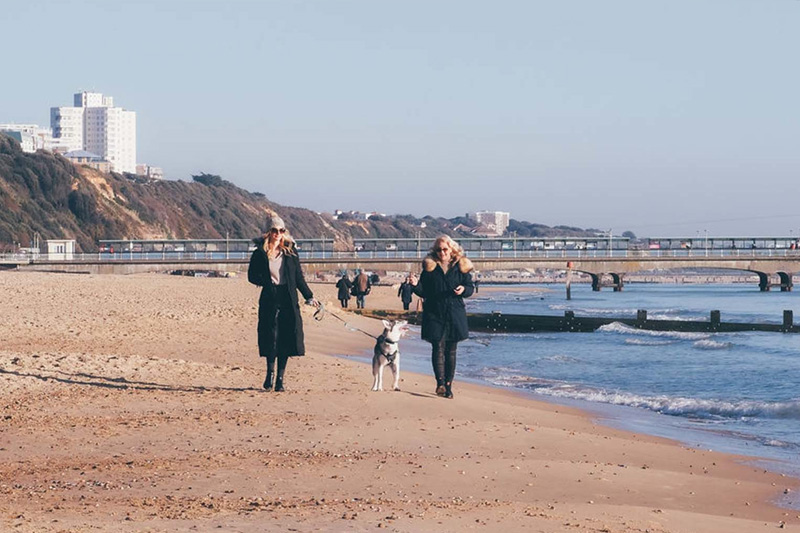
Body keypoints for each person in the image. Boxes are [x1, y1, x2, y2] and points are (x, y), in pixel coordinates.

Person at [248, 216, 319, 392]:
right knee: (271, 337)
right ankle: (269, 374)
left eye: (281, 230)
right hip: (269, 298)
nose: (278, 234)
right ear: (268, 232)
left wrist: (309, 296)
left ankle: (280, 379)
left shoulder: (291, 252)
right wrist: (264, 281)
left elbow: (298, 278)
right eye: (274, 230)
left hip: (288, 297)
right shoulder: (259, 254)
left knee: (286, 338)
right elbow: (251, 276)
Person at [409, 235, 474, 399]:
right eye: (438, 249)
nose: (442, 252)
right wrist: (415, 285)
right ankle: (440, 383)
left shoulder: (462, 266)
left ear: (451, 249)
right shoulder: (429, 267)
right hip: (434, 312)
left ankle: (448, 386)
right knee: (437, 347)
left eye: (445, 249)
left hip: (455, 312)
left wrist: (463, 290)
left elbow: (470, 288)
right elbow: (424, 291)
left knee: (451, 351)